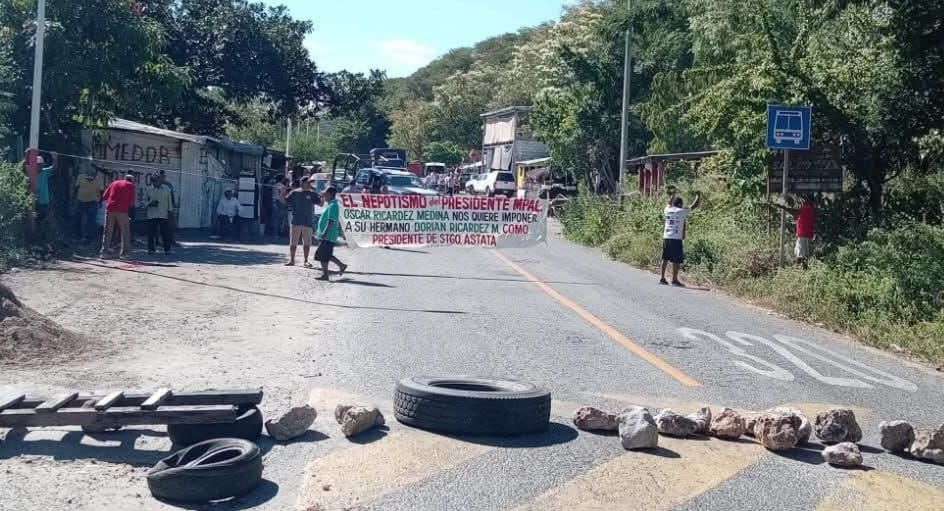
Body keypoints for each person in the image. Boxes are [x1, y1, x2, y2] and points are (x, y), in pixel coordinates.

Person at [660, 188, 701, 286]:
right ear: (680, 204)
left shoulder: (667, 210)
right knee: (676, 260)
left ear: (674, 203)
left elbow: (669, 204)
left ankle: (662, 278)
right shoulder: (681, 211)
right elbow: (694, 206)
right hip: (676, 239)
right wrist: (698, 196)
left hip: (666, 237)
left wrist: (672, 196)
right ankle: (674, 280)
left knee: (665, 258)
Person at [771, 194, 816, 268]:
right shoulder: (811, 208)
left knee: (801, 255)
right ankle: (799, 269)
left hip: (803, 235)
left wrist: (780, 206)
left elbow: (792, 211)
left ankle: (799, 270)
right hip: (806, 234)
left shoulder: (805, 208)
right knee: (802, 253)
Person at [285, 176, 320, 267]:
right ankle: (292, 260)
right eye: (308, 182)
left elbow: (320, 203)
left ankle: (306, 260)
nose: (309, 184)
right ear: (302, 183)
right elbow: (286, 201)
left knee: (307, 243)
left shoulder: (313, 194)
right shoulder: (295, 192)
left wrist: (321, 195)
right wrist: (282, 193)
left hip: (308, 221)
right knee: (293, 243)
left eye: (310, 183)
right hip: (296, 220)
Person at [314, 186, 347, 281]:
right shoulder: (330, 204)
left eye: (325, 194)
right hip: (328, 234)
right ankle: (341, 265)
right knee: (326, 254)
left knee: (322, 254)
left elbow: (331, 221)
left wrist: (324, 233)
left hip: (329, 235)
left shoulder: (333, 206)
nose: (323, 195)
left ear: (329, 194)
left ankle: (325, 274)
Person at [100, 175, 136, 259]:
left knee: (108, 231)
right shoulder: (131, 186)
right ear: (132, 180)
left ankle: (104, 252)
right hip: (122, 211)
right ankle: (124, 254)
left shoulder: (114, 183)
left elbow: (105, 196)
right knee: (125, 232)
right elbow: (131, 203)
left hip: (110, 209)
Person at [146, 172, 175, 254]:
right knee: (151, 233)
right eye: (154, 181)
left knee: (165, 233)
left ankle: (167, 249)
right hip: (152, 214)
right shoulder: (149, 190)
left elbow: (170, 202)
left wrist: (170, 212)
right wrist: (149, 203)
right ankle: (151, 249)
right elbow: (144, 202)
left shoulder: (166, 189)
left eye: (157, 180)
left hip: (163, 214)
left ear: (160, 180)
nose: (156, 182)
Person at [73, 167, 104, 243]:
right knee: (77, 219)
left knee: (91, 221)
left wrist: (100, 201)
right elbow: (76, 187)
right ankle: (77, 236)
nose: (89, 179)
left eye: (91, 178)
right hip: (80, 201)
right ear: (85, 174)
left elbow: (102, 191)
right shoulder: (80, 177)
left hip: (92, 202)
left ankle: (89, 238)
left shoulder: (99, 179)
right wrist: (74, 198)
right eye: (88, 178)